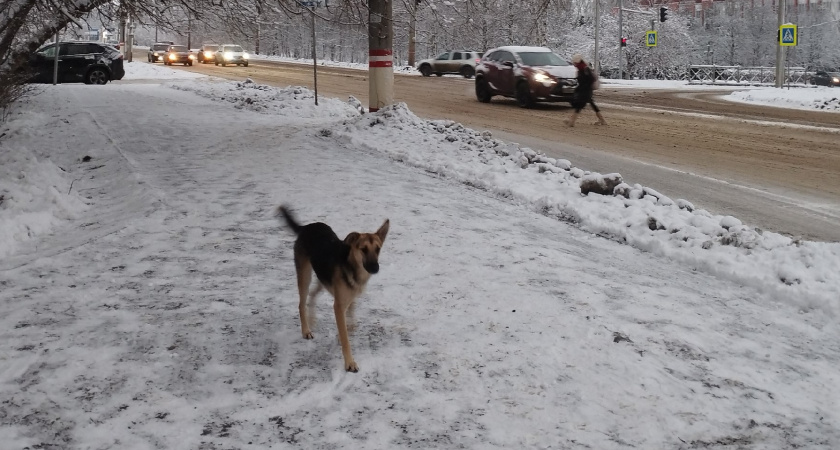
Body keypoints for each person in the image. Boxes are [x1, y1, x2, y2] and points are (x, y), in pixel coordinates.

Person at [564, 54, 606, 127]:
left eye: (575, 63)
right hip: (585, 90)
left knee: (579, 105)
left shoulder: (584, 69)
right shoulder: (581, 68)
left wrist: (583, 87)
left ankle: (571, 122)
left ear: (578, 62)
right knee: (591, 104)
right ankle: (602, 120)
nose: (574, 64)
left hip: (585, 90)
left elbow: (590, 79)